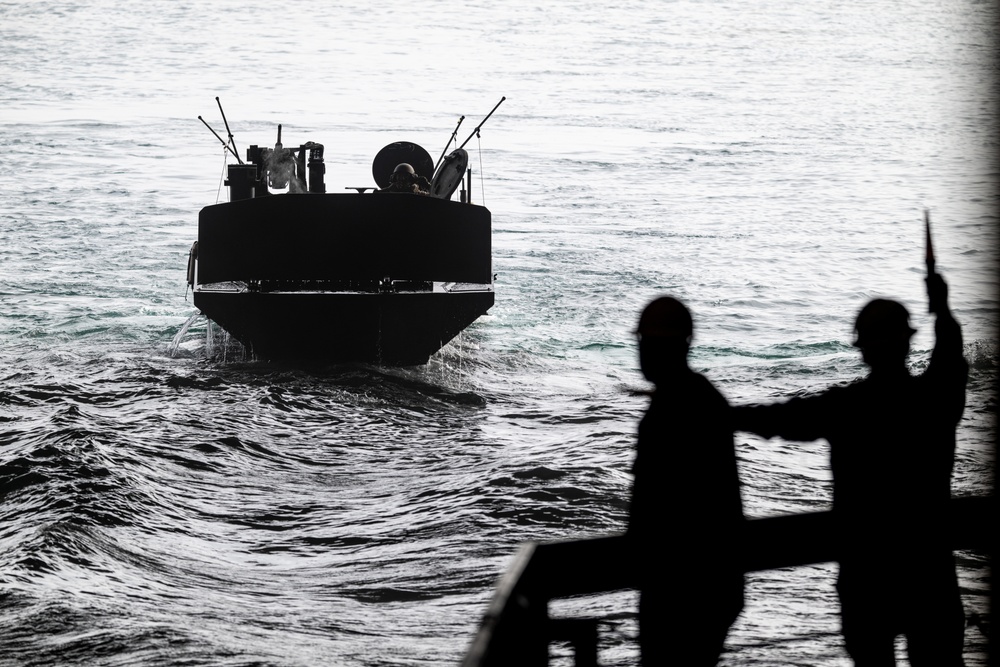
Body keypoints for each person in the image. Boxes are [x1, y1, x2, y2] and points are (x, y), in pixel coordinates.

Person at [732, 273, 967, 666]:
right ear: (909, 342)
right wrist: (942, 308)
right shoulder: (936, 402)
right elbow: (950, 356)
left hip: (867, 581)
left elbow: (780, 418)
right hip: (930, 576)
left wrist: (721, 415)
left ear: (862, 349)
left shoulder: (846, 408)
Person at [627, 297, 745, 666]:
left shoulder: (666, 415)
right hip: (712, 588)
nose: (640, 352)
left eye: (644, 343)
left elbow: (652, 509)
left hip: (676, 591)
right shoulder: (706, 400)